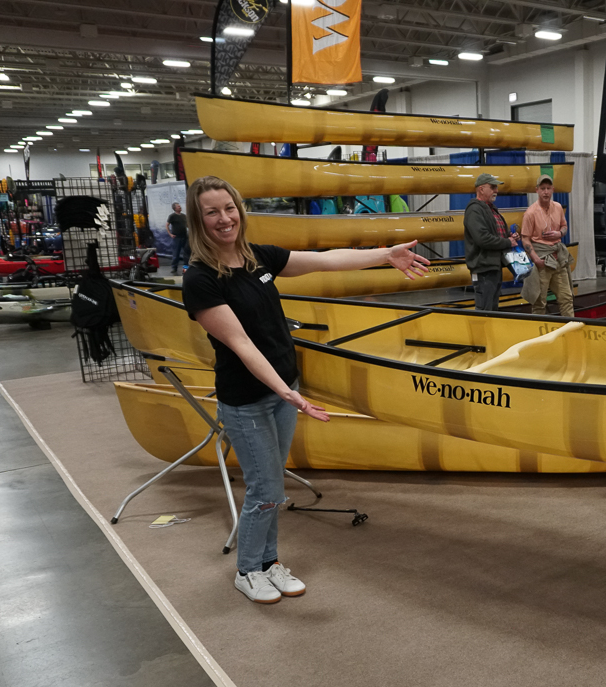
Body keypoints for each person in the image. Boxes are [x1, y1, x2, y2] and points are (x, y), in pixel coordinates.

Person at [180, 176, 430, 605]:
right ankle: (247, 570)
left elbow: (325, 260)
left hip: (282, 392)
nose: (224, 219)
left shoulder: (258, 259)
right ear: (198, 220)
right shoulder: (201, 279)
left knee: (273, 484)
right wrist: (286, 392)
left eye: (229, 208)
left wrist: (385, 254)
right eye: (212, 212)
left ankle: (269, 562)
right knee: (266, 488)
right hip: (249, 399)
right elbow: (239, 344)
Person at [462, 173, 520, 311]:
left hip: (493, 268)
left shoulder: (491, 209)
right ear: (481, 189)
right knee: (485, 311)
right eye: (493, 187)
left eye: (496, 187)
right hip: (483, 269)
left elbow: (495, 234)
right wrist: (508, 242)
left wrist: (510, 236)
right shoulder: (474, 210)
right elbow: (483, 238)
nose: (496, 191)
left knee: (491, 310)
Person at [520, 175, 574, 317]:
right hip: (541, 260)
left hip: (558, 259)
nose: (545, 192)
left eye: (548, 188)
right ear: (537, 190)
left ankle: (571, 331)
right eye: (542, 188)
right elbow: (525, 239)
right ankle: (539, 334)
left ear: (553, 190)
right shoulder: (530, 213)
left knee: (566, 298)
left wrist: (559, 233)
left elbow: (564, 226)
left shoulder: (558, 207)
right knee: (539, 302)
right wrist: (536, 259)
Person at [165, 201, 189, 274]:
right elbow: (167, 225)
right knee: (176, 254)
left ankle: (186, 268)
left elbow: (187, 225)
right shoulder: (172, 216)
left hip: (184, 236)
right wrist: (170, 234)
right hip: (177, 237)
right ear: (175, 208)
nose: (180, 207)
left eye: (180, 206)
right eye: (178, 206)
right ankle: (174, 268)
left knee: (186, 254)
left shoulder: (184, 216)